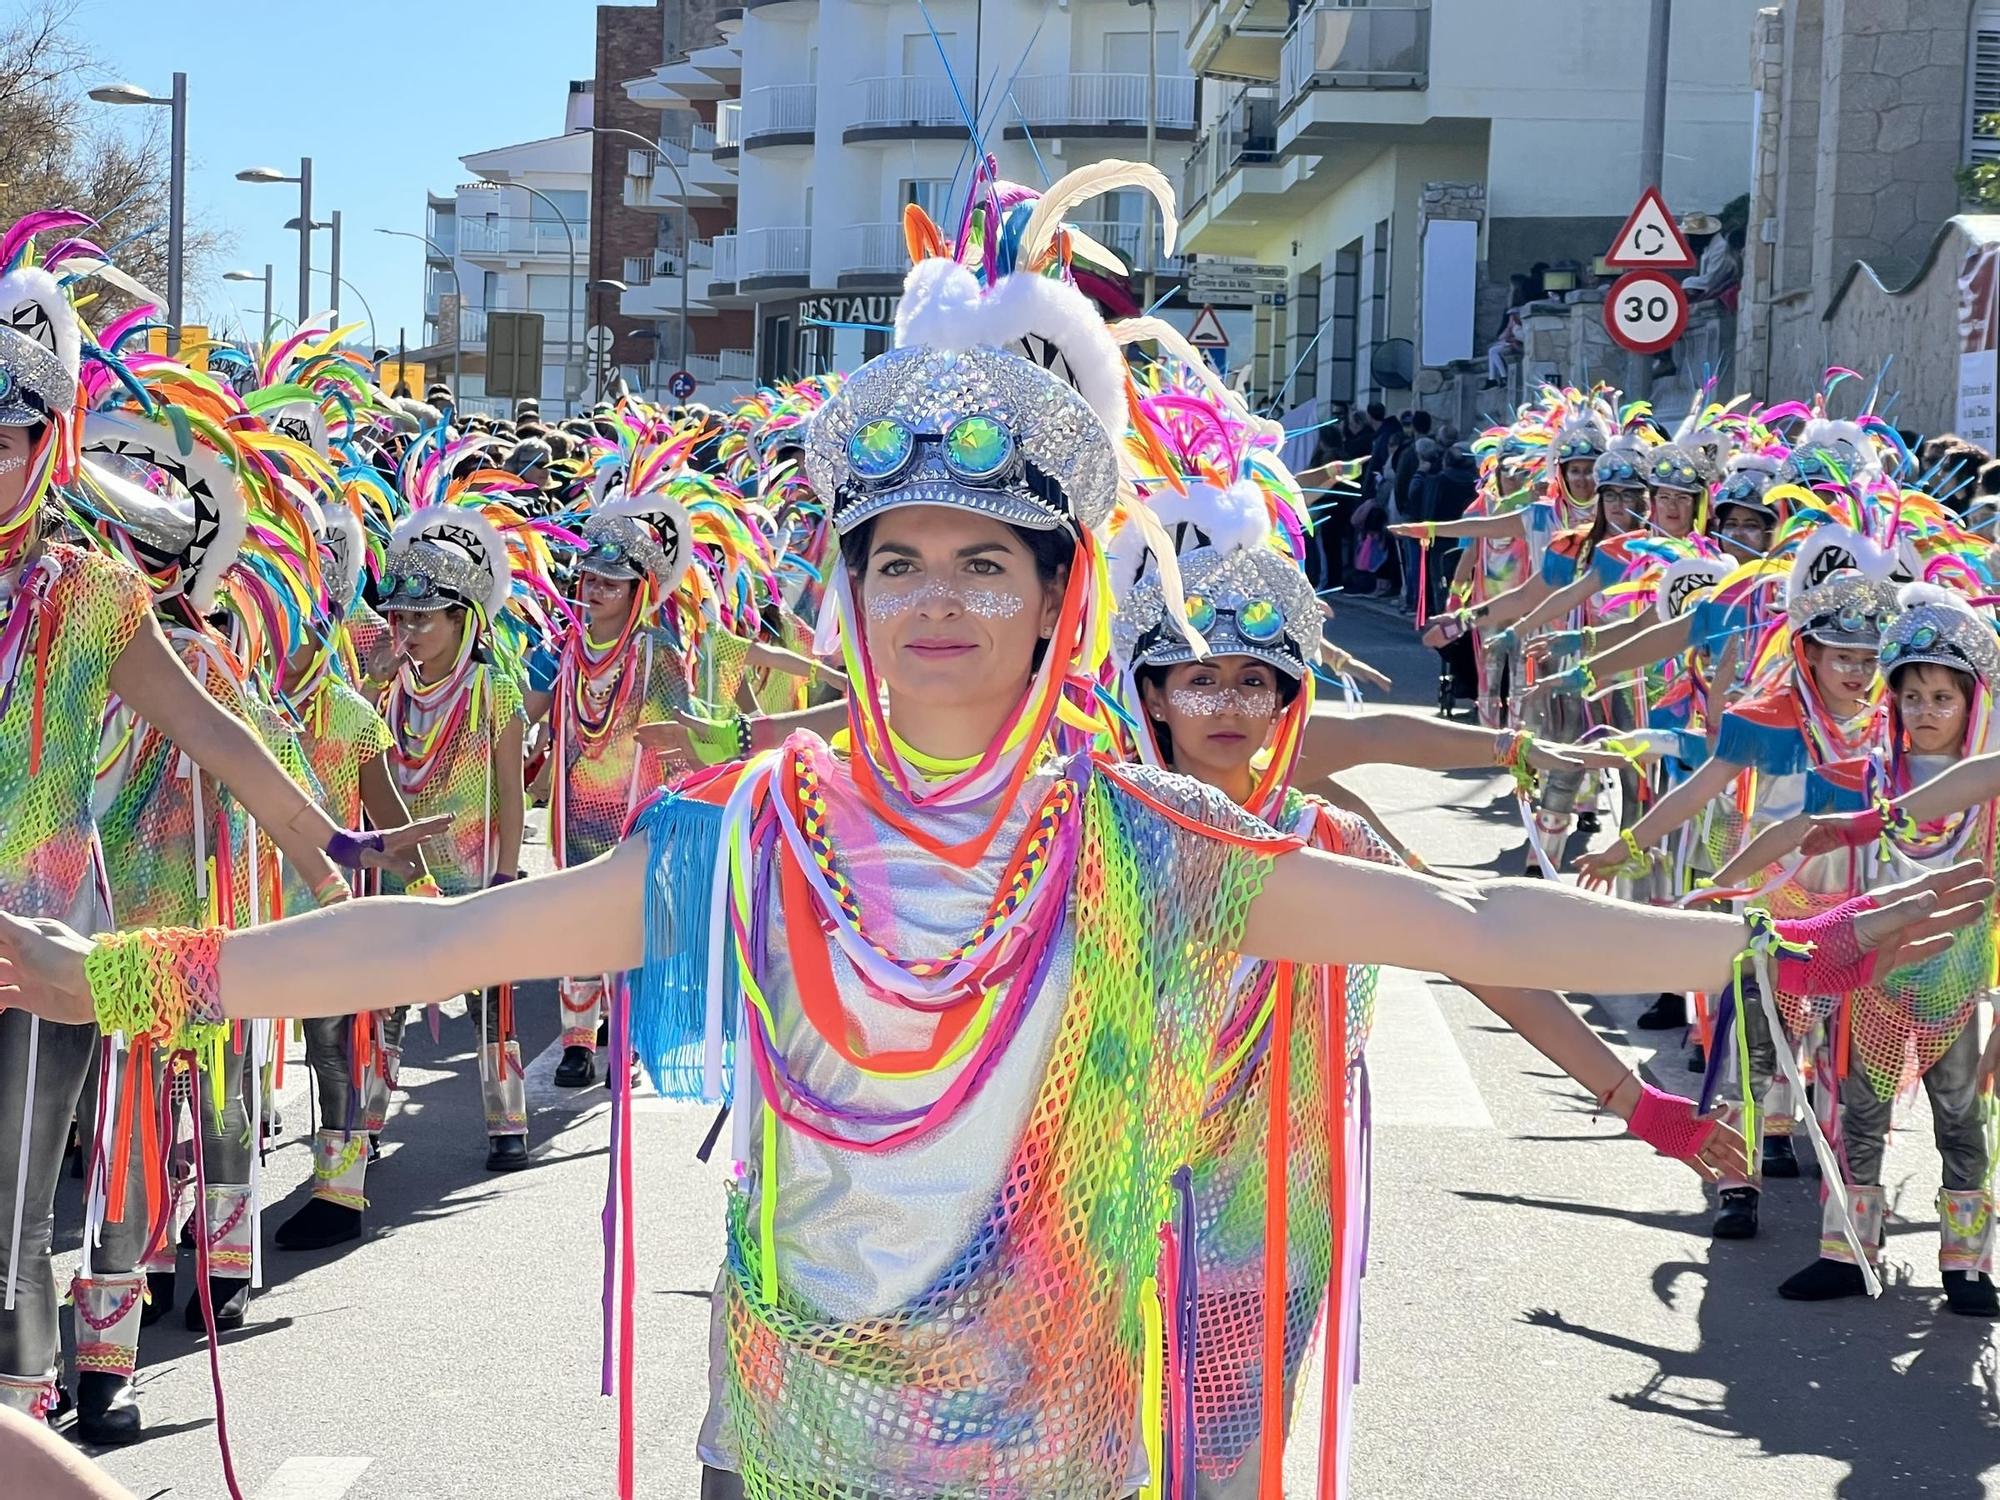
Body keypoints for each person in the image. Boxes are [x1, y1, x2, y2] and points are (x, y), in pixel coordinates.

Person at [0, 233, 1980, 1499]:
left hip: (1063, 1451)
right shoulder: (747, 843)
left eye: (984, 562)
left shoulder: (1160, 850)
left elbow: (1461, 915)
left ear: (1053, 604)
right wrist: (115, 985)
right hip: (782, 1456)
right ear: (843, 595)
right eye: (895, 560)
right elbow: (440, 928)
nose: (934, 601)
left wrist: (1756, 937)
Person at [0, 221, 429, 1425]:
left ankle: (34, 1428)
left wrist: (323, 843)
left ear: (52, 448)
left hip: (35, 949)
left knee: (13, 1219)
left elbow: (218, 735)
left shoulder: (91, 593)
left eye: (6, 442)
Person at [1710, 585, 1998, 1315]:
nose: (1925, 712)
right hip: (1872, 976)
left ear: (1973, 705)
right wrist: (1723, 886)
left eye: (1942, 697)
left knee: (1961, 1119)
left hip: (1954, 983)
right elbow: (1799, 831)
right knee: (1856, 1116)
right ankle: (1846, 1252)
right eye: (1910, 698)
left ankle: (1966, 1267)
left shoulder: (1989, 793)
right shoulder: (1867, 776)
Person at [374, 504, 530, 1170]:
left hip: (473, 878)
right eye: (401, 617)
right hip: (402, 876)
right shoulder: (386, 690)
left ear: (462, 618)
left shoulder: (495, 691)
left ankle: (507, 1124)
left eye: (424, 618)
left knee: (490, 1007)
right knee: (381, 1005)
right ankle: (362, 1126)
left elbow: (513, 798)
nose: (408, 630)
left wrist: (504, 877)